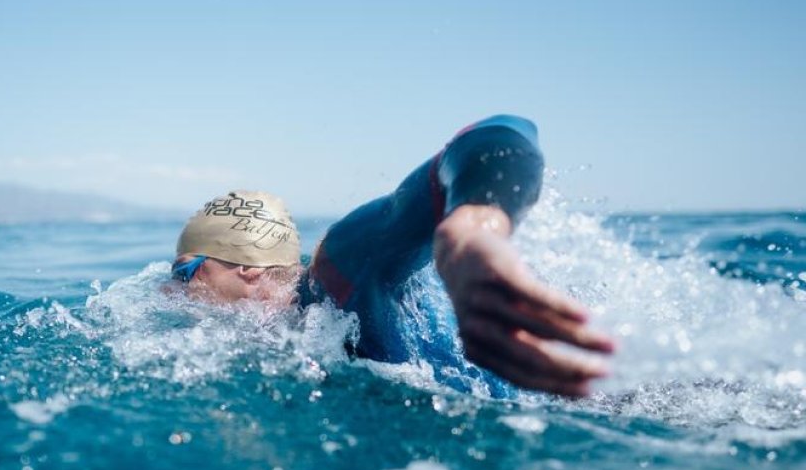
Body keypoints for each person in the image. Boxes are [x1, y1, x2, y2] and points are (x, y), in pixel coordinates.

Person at [171, 115, 615, 398]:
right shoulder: (295, 336)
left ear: (246, 268)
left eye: (185, 272)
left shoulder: (337, 273)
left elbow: (503, 131)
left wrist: (474, 227)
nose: (171, 290)